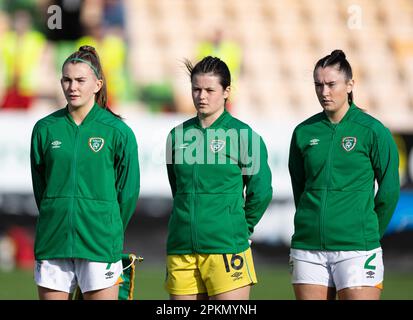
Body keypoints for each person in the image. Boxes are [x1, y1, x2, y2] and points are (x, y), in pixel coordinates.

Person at [288, 49, 400, 300]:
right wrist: (310, 222)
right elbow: (300, 188)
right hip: (308, 248)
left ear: (350, 85)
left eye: (331, 84)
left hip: (358, 249)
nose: (324, 92)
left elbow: (390, 190)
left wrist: (368, 231)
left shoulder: (373, 131)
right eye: (318, 85)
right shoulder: (303, 132)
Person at [30, 45, 140, 300]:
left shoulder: (118, 131)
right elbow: (41, 188)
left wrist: (106, 226)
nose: (73, 87)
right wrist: (56, 212)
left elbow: (128, 192)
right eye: (67, 80)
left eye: (80, 80)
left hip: (99, 243)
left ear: (98, 84)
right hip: (53, 241)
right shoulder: (45, 129)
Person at [165, 56, 273, 300]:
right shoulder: (176, 135)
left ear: (226, 91)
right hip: (181, 248)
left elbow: (262, 191)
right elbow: (178, 189)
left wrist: (239, 229)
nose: (202, 96)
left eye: (210, 90)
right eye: (196, 89)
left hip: (227, 248)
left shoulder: (244, 135)